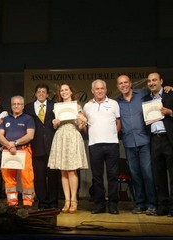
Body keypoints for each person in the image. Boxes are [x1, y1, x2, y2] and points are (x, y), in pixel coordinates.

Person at [116, 74, 157, 214]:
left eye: (126, 82)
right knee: (135, 175)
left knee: (148, 173)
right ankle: (140, 204)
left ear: (130, 83)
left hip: (144, 140)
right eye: (120, 83)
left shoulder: (143, 93)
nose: (124, 85)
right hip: (128, 143)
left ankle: (152, 204)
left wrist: (168, 87)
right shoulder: (117, 103)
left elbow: (156, 91)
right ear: (117, 86)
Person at [48, 83, 88, 214]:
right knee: (63, 171)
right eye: (62, 90)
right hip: (60, 136)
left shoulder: (77, 106)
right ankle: (66, 201)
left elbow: (81, 127)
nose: (64, 92)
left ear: (71, 91)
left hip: (72, 136)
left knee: (71, 170)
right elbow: (55, 125)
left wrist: (82, 120)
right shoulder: (57, 107)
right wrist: (55, 123)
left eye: (66, 89)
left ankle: (74, 200)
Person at [83, 79, 121, 214]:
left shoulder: (114, 104)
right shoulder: (87, 106)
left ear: (106, 90)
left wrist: (111, 135)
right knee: (97, 177)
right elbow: (84, 125)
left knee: (112, 176)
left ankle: (113, 204)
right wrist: (93, 134)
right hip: (94, 145)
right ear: (92, 91)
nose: (99, 91)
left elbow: (118, 123)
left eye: (102, 88)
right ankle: (99, 204)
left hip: (112, 144)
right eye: (97, 89)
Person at [24, 84, 59, 209]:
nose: (41, 93)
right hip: (36, 146)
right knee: (39, 176)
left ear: (48, 94)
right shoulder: (28, 107)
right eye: (38, 91)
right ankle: (43, 201)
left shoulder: (55, 106)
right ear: (35, 93)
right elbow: (21, 121)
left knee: (53, 176)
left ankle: (53, 201)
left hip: (52, 146)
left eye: (44, 91)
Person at [0, 95, 35, 208]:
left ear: (23, 106)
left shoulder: (28, 118)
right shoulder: (6, 120)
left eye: (19, 104)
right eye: (14, 104)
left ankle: (28, 203)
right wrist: (9, 145)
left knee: (27, 177)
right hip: (8, 151)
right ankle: (12, 203)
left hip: (23, 150)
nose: (16, 106)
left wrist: (15, 143)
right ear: (11, 106)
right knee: (8, 178)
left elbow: (30, 135)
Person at [144, 72, 173, 217]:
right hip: (155, 140)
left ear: (161, 81)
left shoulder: (170, 94)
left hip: (169, 139)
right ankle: (163, 207)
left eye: (154, 80)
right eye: (149, 81)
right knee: (158, 176)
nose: (152, 83)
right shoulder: (146, 99)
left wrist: (170, 112)